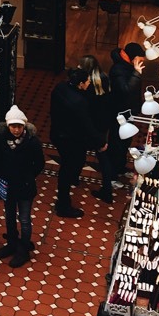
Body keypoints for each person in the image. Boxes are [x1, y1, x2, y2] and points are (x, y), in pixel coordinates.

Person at [50, 67, 106, 218]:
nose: (89, 83)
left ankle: (72, 178)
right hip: (71, 139)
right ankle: (63, 205)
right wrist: (100, 141)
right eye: (87, 81)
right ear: (80, 84)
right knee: (69, 167)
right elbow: (86, 125)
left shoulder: (61, 87)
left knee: (72, 163)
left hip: (58, 134)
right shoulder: (78, 102)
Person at [0, 104, 44, 267]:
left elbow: (39, 164)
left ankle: (23, 249)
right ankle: (11, 242)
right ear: (8, 126)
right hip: (8, 186)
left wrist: (28, 176)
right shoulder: (2, 139)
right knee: (9, 216)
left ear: (24, 126)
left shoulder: (32, 142)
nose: (16, 130)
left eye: (19, 126)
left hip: (25, 186)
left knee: (24, 218)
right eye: (13, 126)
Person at [78, 55, 114, 204]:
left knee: (80, 151)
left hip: (91, 124)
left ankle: (75, 177)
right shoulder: (103, 78)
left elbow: (85, 106)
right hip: (103, 123)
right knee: (103, 156)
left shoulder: (89, 84)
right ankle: (107, 187)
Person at [108, 42, 145, 181]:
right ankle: (112, 174)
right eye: (140, 60)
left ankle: (120, 167)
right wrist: (136, 74)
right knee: (117, 143)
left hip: (127, 111)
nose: (141, 64)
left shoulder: (127, 66)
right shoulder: (118, 70)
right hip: (119, 113)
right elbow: (126, 91)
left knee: (125, 141)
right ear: (133, 58)